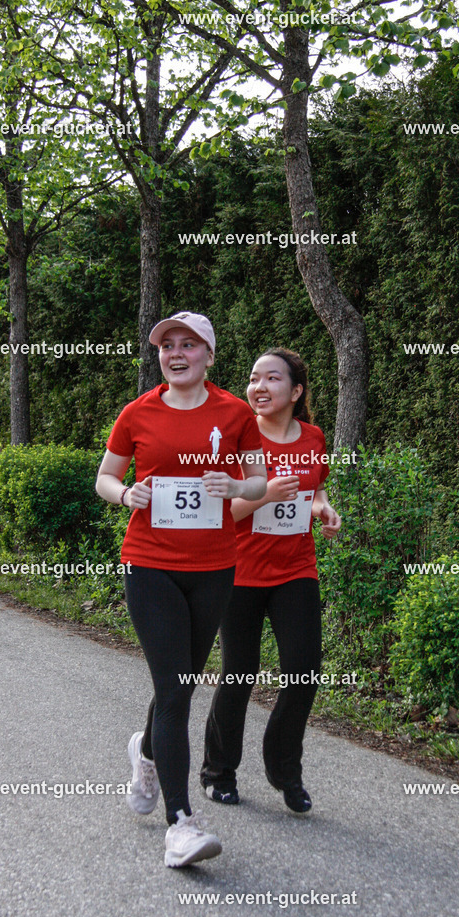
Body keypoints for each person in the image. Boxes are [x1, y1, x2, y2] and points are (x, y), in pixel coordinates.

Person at [95, 312, 266, 867]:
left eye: (187, 344)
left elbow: (259, 481)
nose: (175, 352)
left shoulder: (236, 414)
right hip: (150, 564)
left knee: (181, 686)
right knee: (172, 689)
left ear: (209, 356)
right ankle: (181, 825)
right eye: (167, 344)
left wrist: (235, 484)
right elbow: (105, 477)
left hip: (215, 567)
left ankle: (146, 753)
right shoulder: (137, 413)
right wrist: (126, 496)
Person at [201, 348, 341, 813]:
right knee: (239, 674)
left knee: (303, 672)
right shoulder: (239, 439)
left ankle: (285, 772)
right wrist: (265, 496)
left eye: (271, 379)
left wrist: (323, 508)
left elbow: (315, 487)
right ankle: (218, 772)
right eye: (253, 378)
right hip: (239, 571)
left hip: (296, 569)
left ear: (296, 391)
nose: (258, 387)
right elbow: (221, 512)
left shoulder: (314, 437)